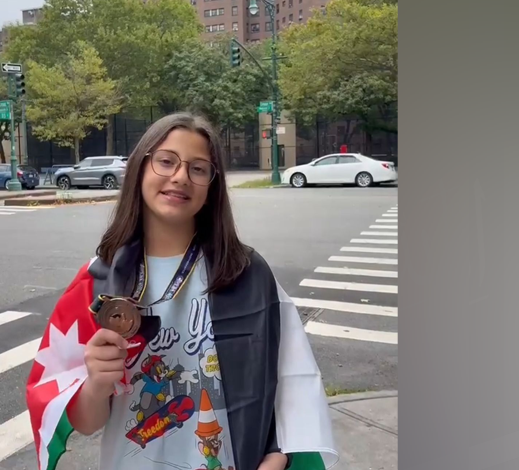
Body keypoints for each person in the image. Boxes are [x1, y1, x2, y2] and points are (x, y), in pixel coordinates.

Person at [26, 113, 338, 470]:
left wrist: (279, 456)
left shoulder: (247, 274)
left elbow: (294, 384)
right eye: (166, 161)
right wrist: (97, 382)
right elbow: (85, 422)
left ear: (211, 187)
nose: (180, 176)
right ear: (140, 168)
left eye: (198, 168)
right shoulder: (96, 282)